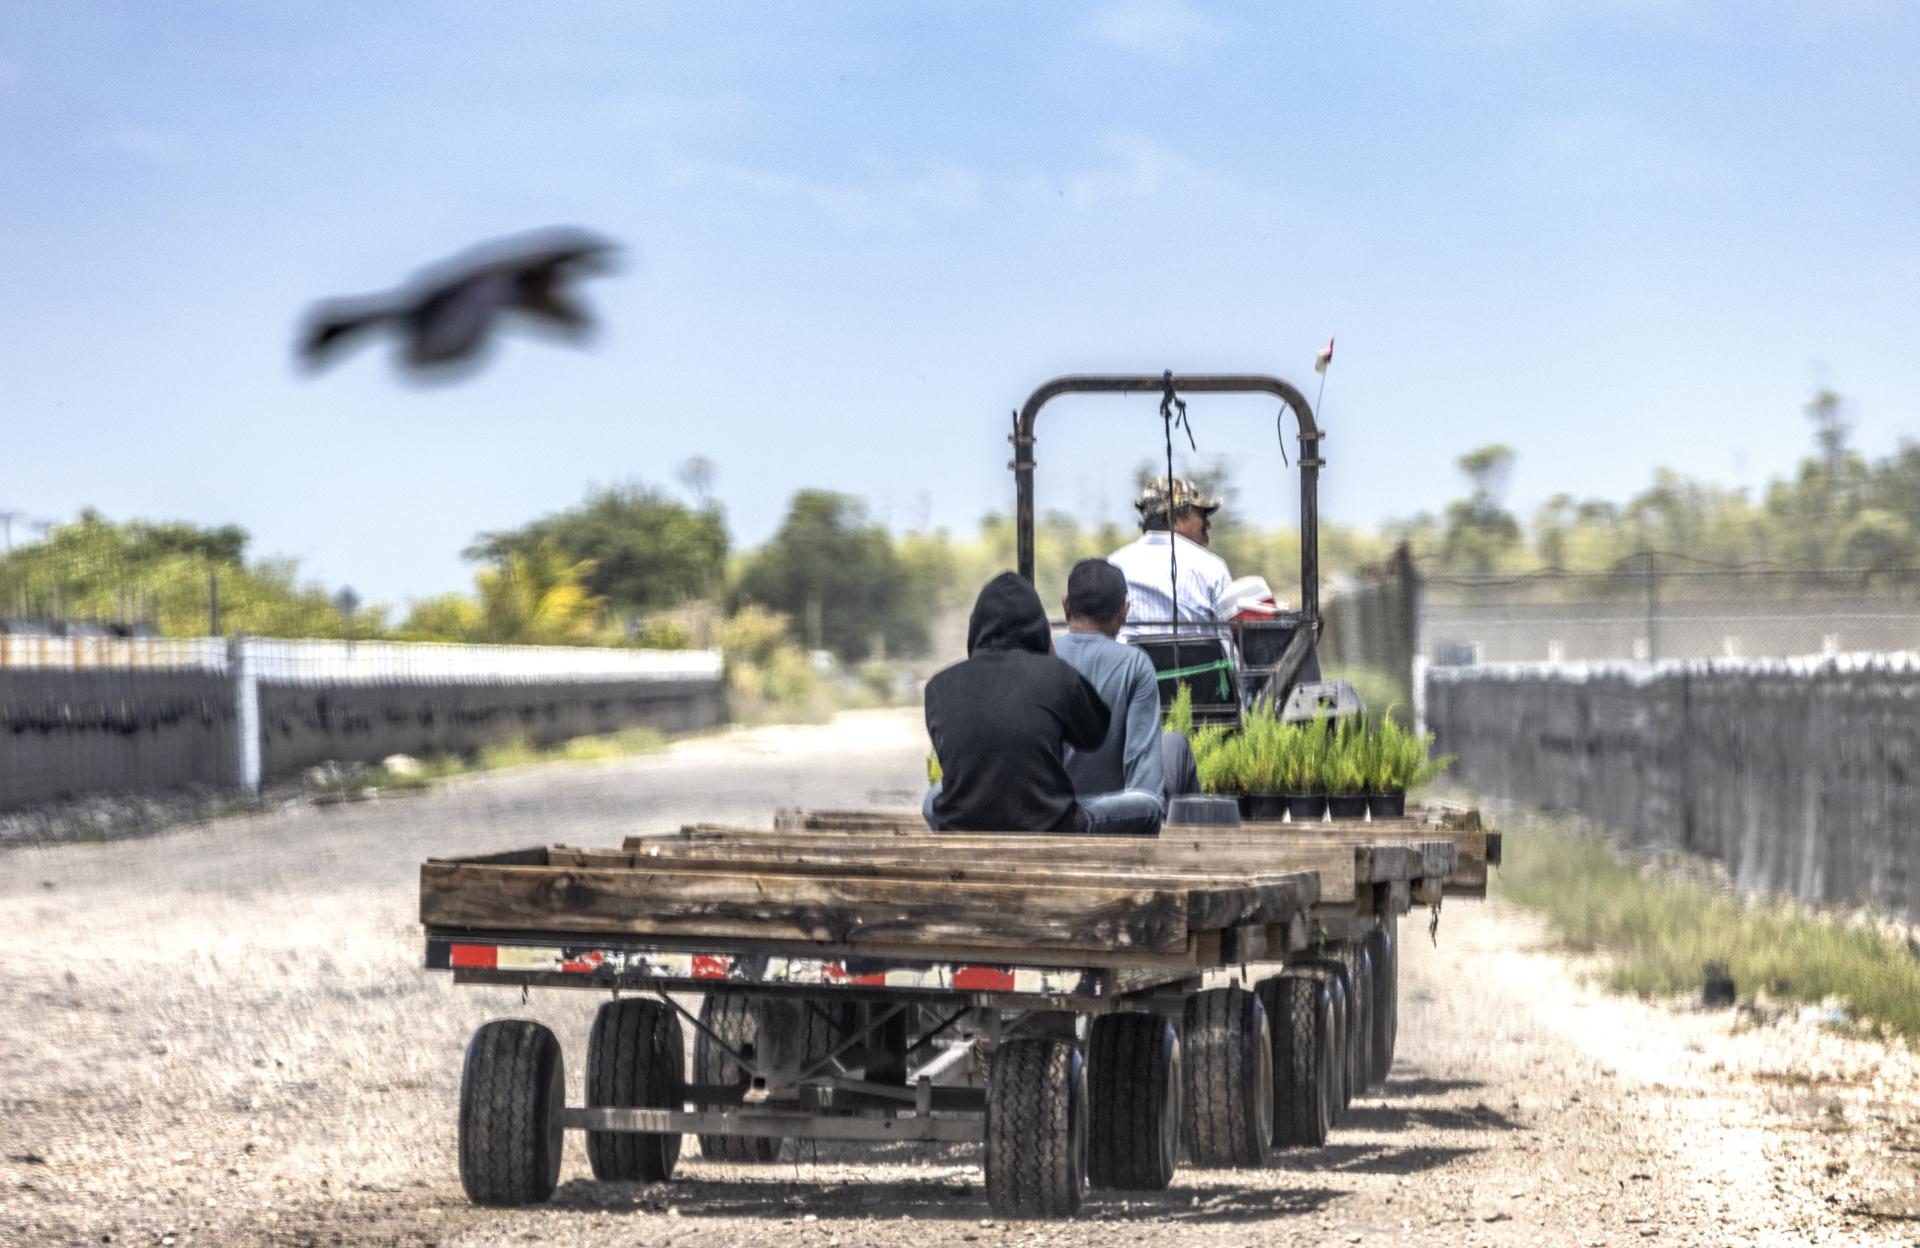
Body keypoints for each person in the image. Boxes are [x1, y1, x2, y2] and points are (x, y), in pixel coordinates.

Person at [922, 572, 1161, 835]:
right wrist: (1050, 657)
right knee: (1148, 806)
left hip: (962, 824)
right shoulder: (1056, 675)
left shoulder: (937, 686)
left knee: (931, 798)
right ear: (1040, 626)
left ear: (975, 626)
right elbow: (1093, 736)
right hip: (1050, 826)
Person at [1054, 559, 1202, 821]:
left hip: (1048, 820)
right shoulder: (1134, 665)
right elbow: (1144, 787)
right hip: (1110, 823)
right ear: (1125, 611)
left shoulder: (1042, 655)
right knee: (1175, 744)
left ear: (1066, 604)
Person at [1108, 475, 1234, 635]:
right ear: (1174, 519)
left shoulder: (1114, 564)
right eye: (1202, 514)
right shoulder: (1212, 568)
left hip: (1127, 660)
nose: (1207, 523)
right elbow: (1229, 641)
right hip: (1198, 660)